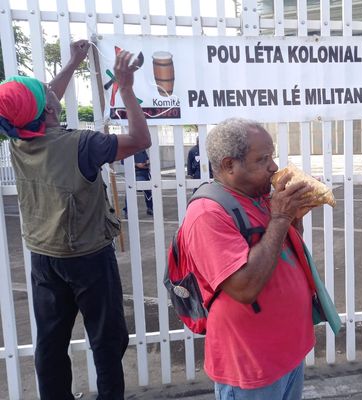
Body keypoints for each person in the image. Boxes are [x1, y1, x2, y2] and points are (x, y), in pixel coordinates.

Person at [0, 41, 151, 399]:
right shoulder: (83, 145)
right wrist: (126, 90)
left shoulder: (18, 141)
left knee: (51, 344)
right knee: (106, 340)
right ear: (49, 111)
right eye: (47, 96)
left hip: (43, 257)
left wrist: (74, 61)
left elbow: (45, 99)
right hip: (88, 259)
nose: (52, 93)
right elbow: (141, 138)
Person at [178, 118, 316, 399]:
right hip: (251, 365)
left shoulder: (261, 197)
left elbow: (287, 251)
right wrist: (280, 217)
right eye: (263, 159)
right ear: (230, 165)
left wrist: (294, 219)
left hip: (286, 352)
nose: (274, 167)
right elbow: (244, 287)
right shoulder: (207, 214)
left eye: (272, 156)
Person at [122, 148, 153, 217]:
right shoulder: (127, 149)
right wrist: (136, 164)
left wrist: (146, 163)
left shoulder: (142, 149)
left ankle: (150, 208)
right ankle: (127, 211)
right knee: (130, 191)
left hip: (144, 172)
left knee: (148, 191)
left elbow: (147, 159)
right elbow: (123, 161)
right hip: (134, 173)